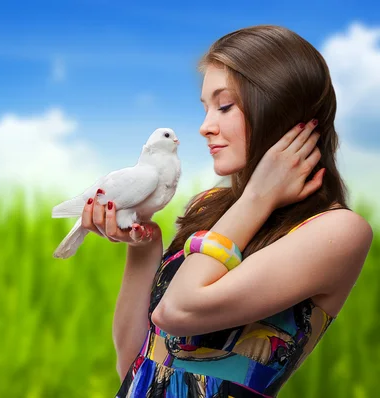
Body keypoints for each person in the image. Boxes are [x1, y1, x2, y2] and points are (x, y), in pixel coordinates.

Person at [80, 25, 374, 397]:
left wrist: (256, 198)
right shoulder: (209, 208)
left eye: (224, 105)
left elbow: (178, 312)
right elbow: (135, 365)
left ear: (282, 105)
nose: (205, 127)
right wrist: (143, 248)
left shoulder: (338, 232)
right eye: (205, 108)